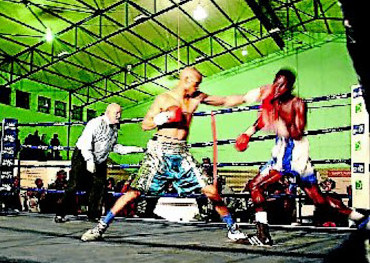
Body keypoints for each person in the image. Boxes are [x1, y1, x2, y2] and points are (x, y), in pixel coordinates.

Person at [81, 66, 254, 242]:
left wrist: (249, 97)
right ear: (185, 80)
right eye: (195, 84)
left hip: (181, 153)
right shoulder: (164, 98)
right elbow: (146, 124)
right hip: (159, 153)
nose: (198, 87)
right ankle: (100, 227)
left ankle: (233, 229)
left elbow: (224, 100)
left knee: (210, 189)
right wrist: (162, 118)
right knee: (133, 193)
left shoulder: (197, 97)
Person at [234, 68, 369, 245]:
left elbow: (297, 132)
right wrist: (247, 133)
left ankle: (263, 236)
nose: (277, 87)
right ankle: (361, 218)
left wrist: (277, 121)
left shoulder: (298, 103)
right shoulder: (273, 102)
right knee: (318, 199)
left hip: (292, 154)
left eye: (282, 85)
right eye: (276, 82)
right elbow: (261, 121)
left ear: (290, 87)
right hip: (289, 153)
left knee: (255, 186)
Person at [54, 103, 144, 222]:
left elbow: (115, 147)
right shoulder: (95, 123)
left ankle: (93, 215)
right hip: (82, 155)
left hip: (100, 159)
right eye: (116, 113)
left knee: (99, 186)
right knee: (74, 185)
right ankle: (60, 213)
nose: (119, 116)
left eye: (120, 113)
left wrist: (138, 149)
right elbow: (86, 143)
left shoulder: (114, 128)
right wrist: (89, 160)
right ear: (108, 113)